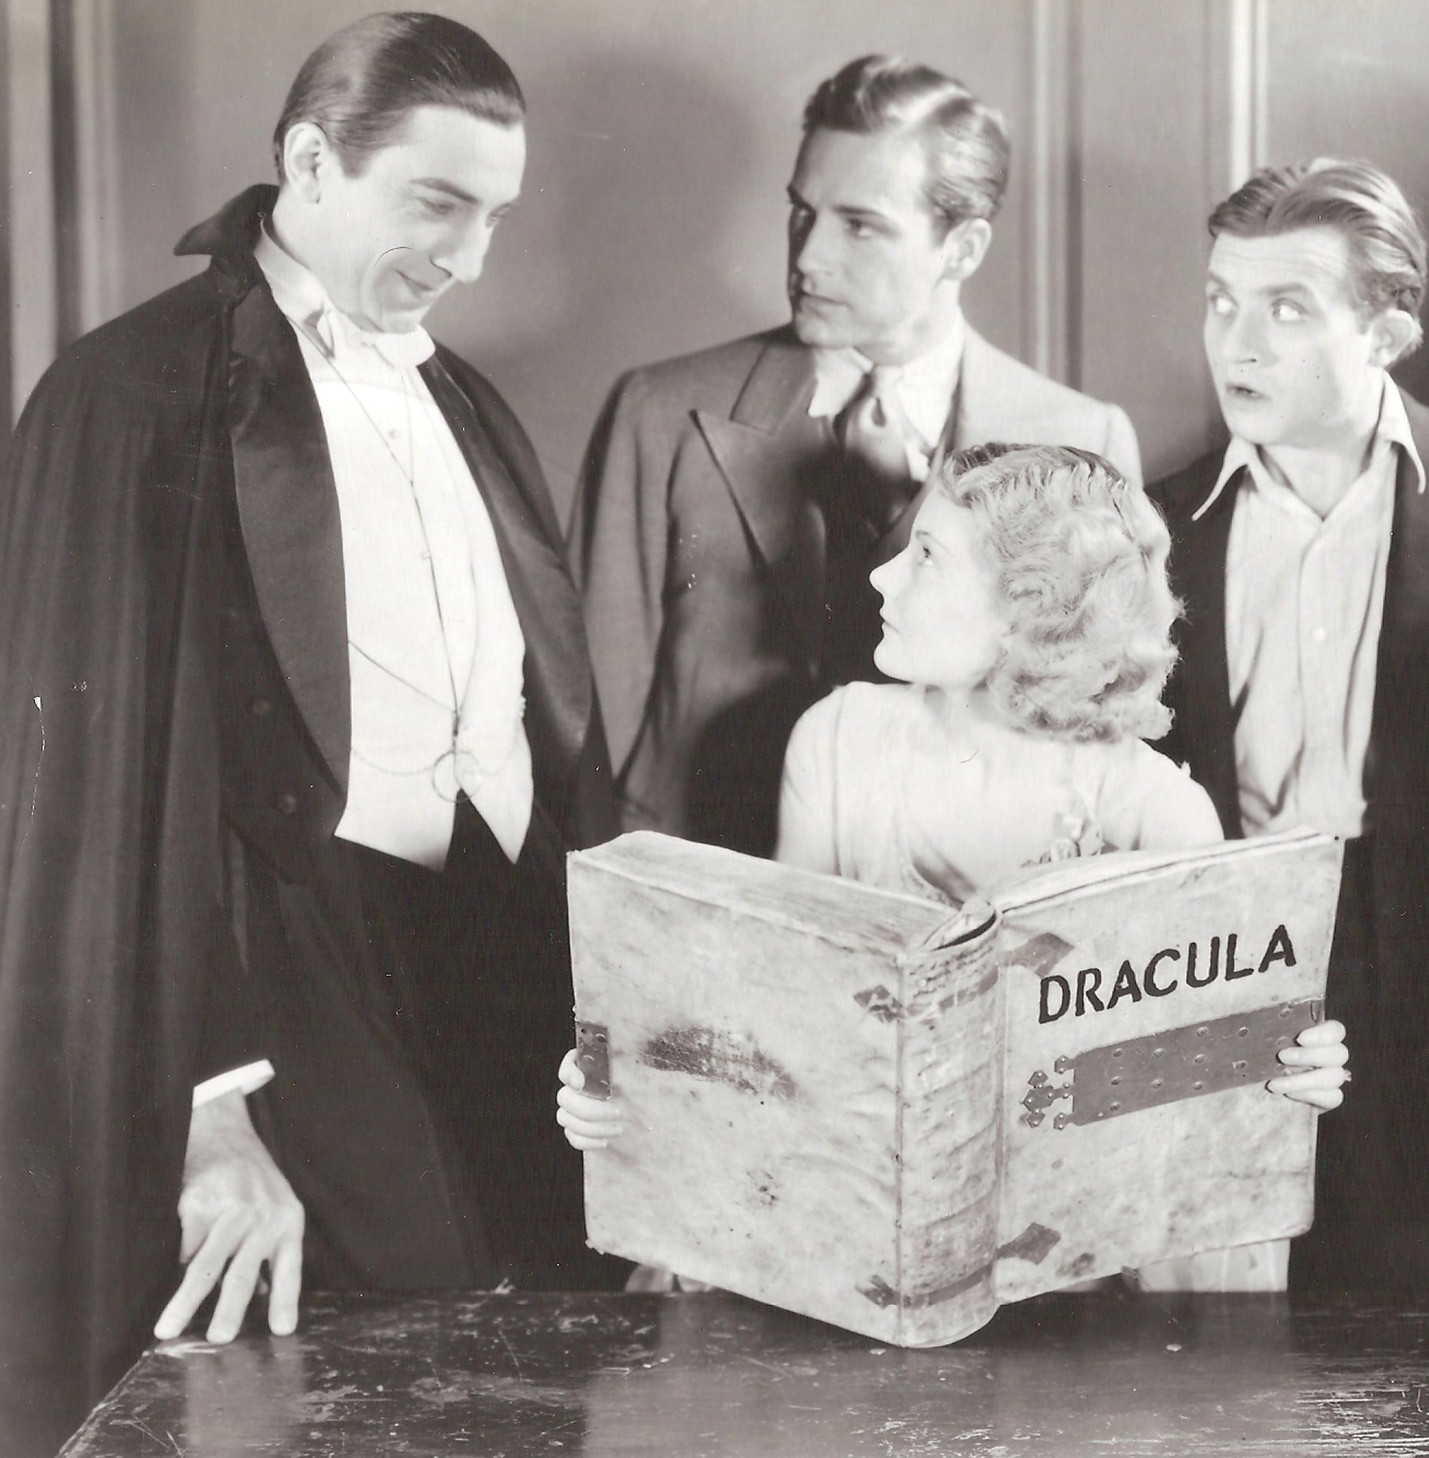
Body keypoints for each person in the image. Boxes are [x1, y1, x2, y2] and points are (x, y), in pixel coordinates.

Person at [0, 16, 619, 1452]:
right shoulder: (131, 395)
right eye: (438, 203)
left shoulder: (462, 400)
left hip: (490, 978)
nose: (470, 258)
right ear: (310, 162)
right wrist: (204, 1107)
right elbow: (82, 812)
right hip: (270, 995)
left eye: (494, 216)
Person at [560, 444, 1350, 1290]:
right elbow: (780, 1017)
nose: (882, 579)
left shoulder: (1156, 812)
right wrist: (636, 1076)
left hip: (1080, 1285)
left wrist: (1281, 1074)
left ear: (1027, 609)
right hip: (852, 1236)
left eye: (928, 557)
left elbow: (1193, 1116)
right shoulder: (839, 740)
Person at [1148, 160, 1429, 1291]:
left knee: (1427, 1321)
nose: (1236, 344)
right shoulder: (1156, 523)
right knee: (1231, 1319)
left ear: (1387, 332)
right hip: (1224, 955)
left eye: (1286, 309)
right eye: (1220, 301)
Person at [571, 55, 1143, 859]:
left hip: (958, 903)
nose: (808, 258)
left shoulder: (1081, 441)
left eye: (860, 225)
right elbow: (589, 721)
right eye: (801, 212)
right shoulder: (659, 413)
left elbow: (1092, 740)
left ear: (962, 247)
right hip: (699, 886)